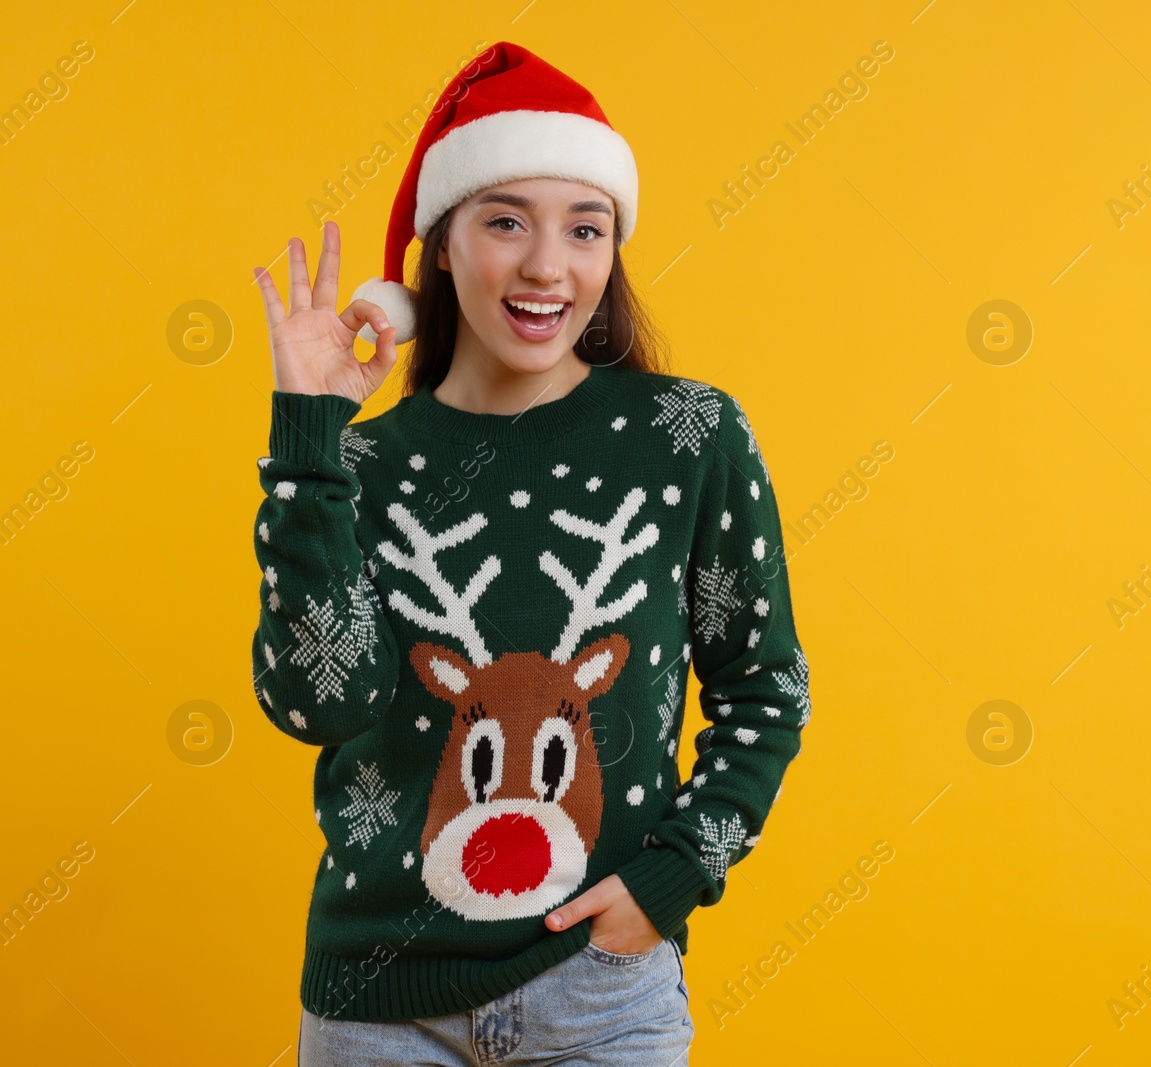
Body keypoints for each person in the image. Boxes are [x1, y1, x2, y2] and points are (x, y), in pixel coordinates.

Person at [248, 42, 809, 1066]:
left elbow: (768, 688)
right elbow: (314, 706)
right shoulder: (359, 465)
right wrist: (310, 438)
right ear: (444, 245)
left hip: (602, 993)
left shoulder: (689, 435)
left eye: (584, 228)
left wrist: (677, 874)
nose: (549, 265)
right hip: (378, 1003)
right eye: (505, 220)